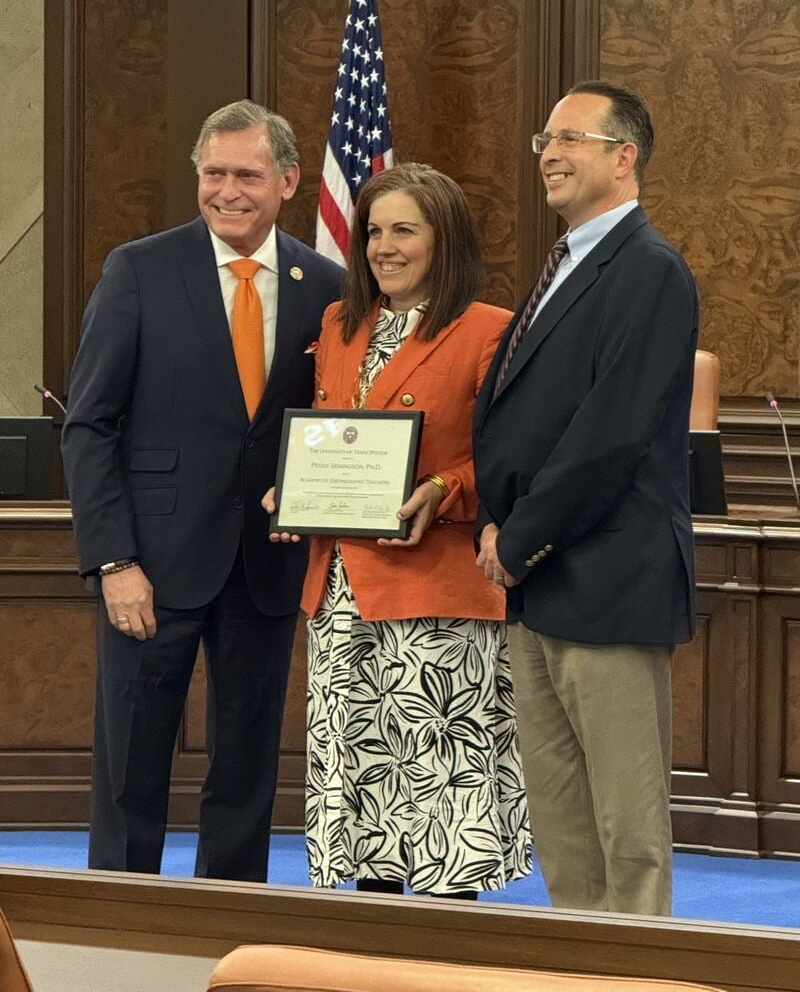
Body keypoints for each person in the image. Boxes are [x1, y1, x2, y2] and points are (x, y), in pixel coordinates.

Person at [61, 100, 342, 881]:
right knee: (132, 768)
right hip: (151, 567)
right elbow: (89, 427)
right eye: (212, 173)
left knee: (247, 768)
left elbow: (333, 418)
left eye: (246, 174)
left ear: (287, 180)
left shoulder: (326, 283)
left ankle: (229, 919)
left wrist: (308, 487)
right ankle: (120, 924)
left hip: (267, 564)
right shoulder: (140, 269)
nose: (227, 190)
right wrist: (113, 560)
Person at [264, 163, 532, 898]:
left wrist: (445, 489)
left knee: (437, 793)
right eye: (375, 230)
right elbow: (332, 436)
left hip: (435, 595)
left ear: (444, 239)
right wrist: (298, 489)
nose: (383, 246)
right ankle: (372, 947)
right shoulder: (340, 324)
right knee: (365, 791)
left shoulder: (491, 330)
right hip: (341, 595)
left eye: (403, 229)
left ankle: (442, 953)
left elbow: (508, 459)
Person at [473, 81, 698, 916]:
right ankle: (579, 968)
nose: (548, 153)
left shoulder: (648, 271)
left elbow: (611, 435)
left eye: (569, 138)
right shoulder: (563, 262)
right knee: (564, 826)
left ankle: (636, 972)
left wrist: (516, 535)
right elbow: (516, 413)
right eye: (545, 138)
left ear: (624, 155)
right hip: (537, 587)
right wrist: (497, 521)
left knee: (626, 830)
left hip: (606, 582)